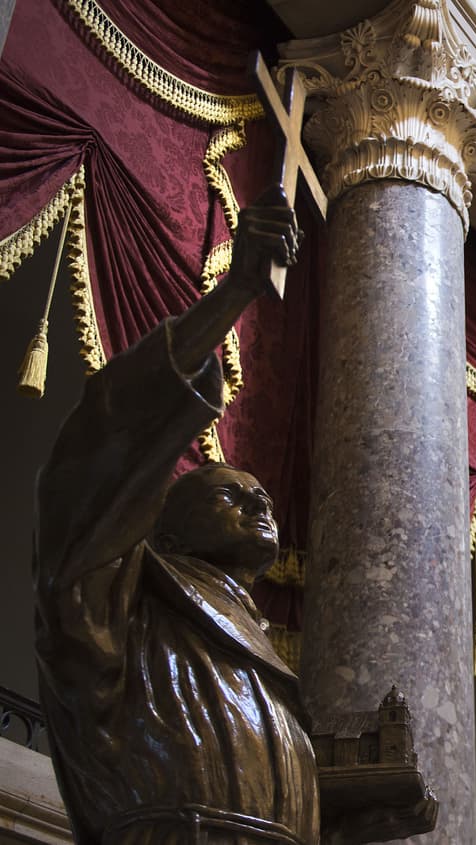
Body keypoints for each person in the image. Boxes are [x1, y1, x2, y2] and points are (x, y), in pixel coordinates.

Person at [32, 189, 319, 844]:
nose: (259, 503)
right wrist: (233, 296)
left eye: (262, 498)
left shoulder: (259, 651)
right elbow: (89, 471)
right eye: (226, 496)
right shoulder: (125, 599)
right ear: (162, 529)